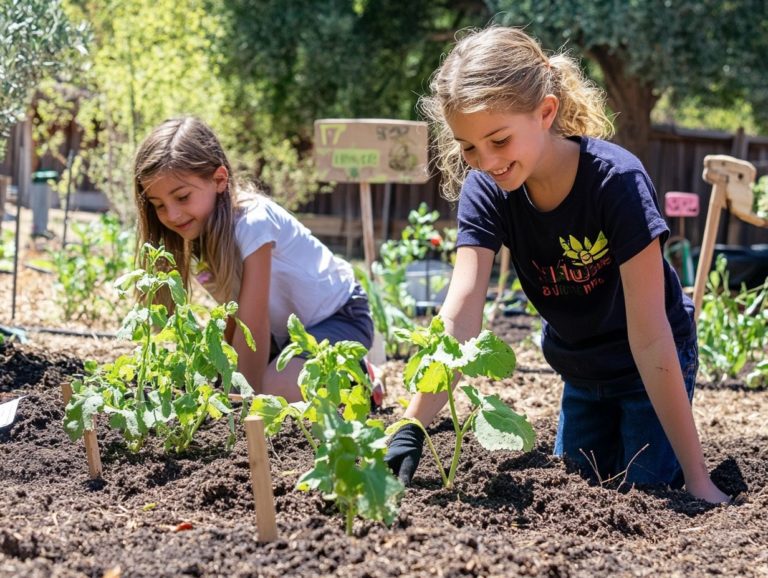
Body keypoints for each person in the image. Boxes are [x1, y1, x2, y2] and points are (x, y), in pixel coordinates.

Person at [385, 26, 730, 504]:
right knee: (577, 493)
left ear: (545, 112)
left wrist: (698, 478)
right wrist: (410, 425)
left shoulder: (616, 183)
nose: (485, 161)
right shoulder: (487, 190)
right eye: (468, 147)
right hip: (580, 368)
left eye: (499, 140)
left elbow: (651, 334)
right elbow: (460, 315)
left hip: (649, 365)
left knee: (650, 493)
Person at [133, 117, 375, 403]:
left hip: (339, 317)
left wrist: (239, 404)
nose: (172, 215)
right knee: (216, 382)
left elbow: (253, 323)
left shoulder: (253, 222)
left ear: (219, 180)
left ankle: (358, 375)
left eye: (182, 197)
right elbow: (234, 316)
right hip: (283, 336)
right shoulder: (195, 231)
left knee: (272, 389)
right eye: (159, 206)